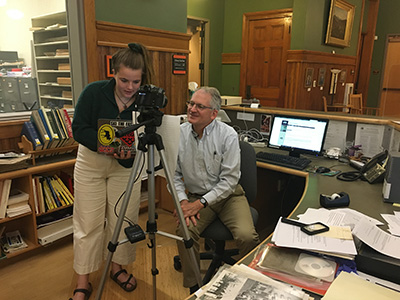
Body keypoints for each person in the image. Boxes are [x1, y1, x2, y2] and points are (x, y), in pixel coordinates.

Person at [70, 42, 154, 300]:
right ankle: (82, 280)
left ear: (143, 79)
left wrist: (125, 157)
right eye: (123, 80)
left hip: (123, 168)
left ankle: (116, 267)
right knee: (88, 223)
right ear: (113, 73)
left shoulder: (145, 101)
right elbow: (79, 129)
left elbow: (144, 138)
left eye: (136, 82)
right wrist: (106, 146)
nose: (130, 87)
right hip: (91, 164)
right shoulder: (94, 92)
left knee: (123, 219)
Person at [174, 86, 260, 294]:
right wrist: (183, 202)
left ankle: (249, 283)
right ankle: (195, 287)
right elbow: (174, 174)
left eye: (200, 106)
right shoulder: (179, 134)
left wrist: (199, 204)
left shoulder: (227, 135)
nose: (192, 109)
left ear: (214, 113)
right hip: (196, 196)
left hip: (229, 196)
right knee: (184, 231)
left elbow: (229, 180)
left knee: (247, 236)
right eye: (191, 103)